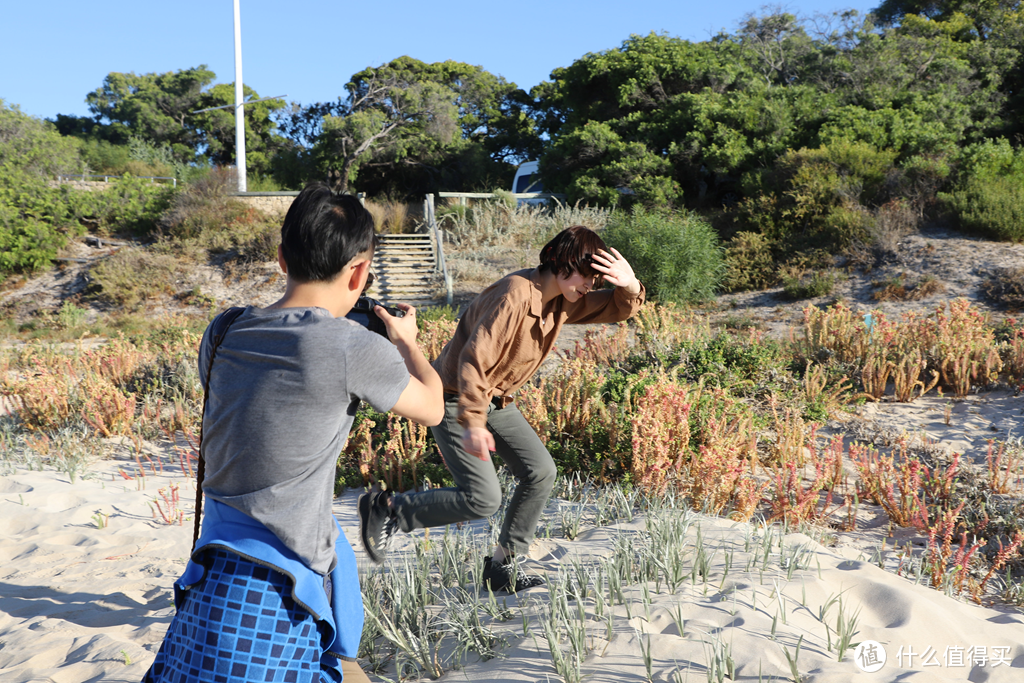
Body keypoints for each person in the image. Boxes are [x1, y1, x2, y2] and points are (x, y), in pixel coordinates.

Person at [142, 182, 444, 683]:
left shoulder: (223, 330)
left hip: (213, 561)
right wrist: (408, 344)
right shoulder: (352, 347)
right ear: (361, 271)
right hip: (289, 571)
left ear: (282, 258)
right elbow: (432, 407)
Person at [359, 225, 644, 592]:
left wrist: (630, 284)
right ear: (563, 264)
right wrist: (474, 422)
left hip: (496, 401)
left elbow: (616, 308)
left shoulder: (561, 299)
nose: (591, 285)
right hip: (456, 399)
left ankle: (503, 566)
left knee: (540, 472)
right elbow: (473, 361)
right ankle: (389, 509)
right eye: (587, 276)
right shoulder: (515, 295)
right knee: (483, 498)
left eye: (596, 278)